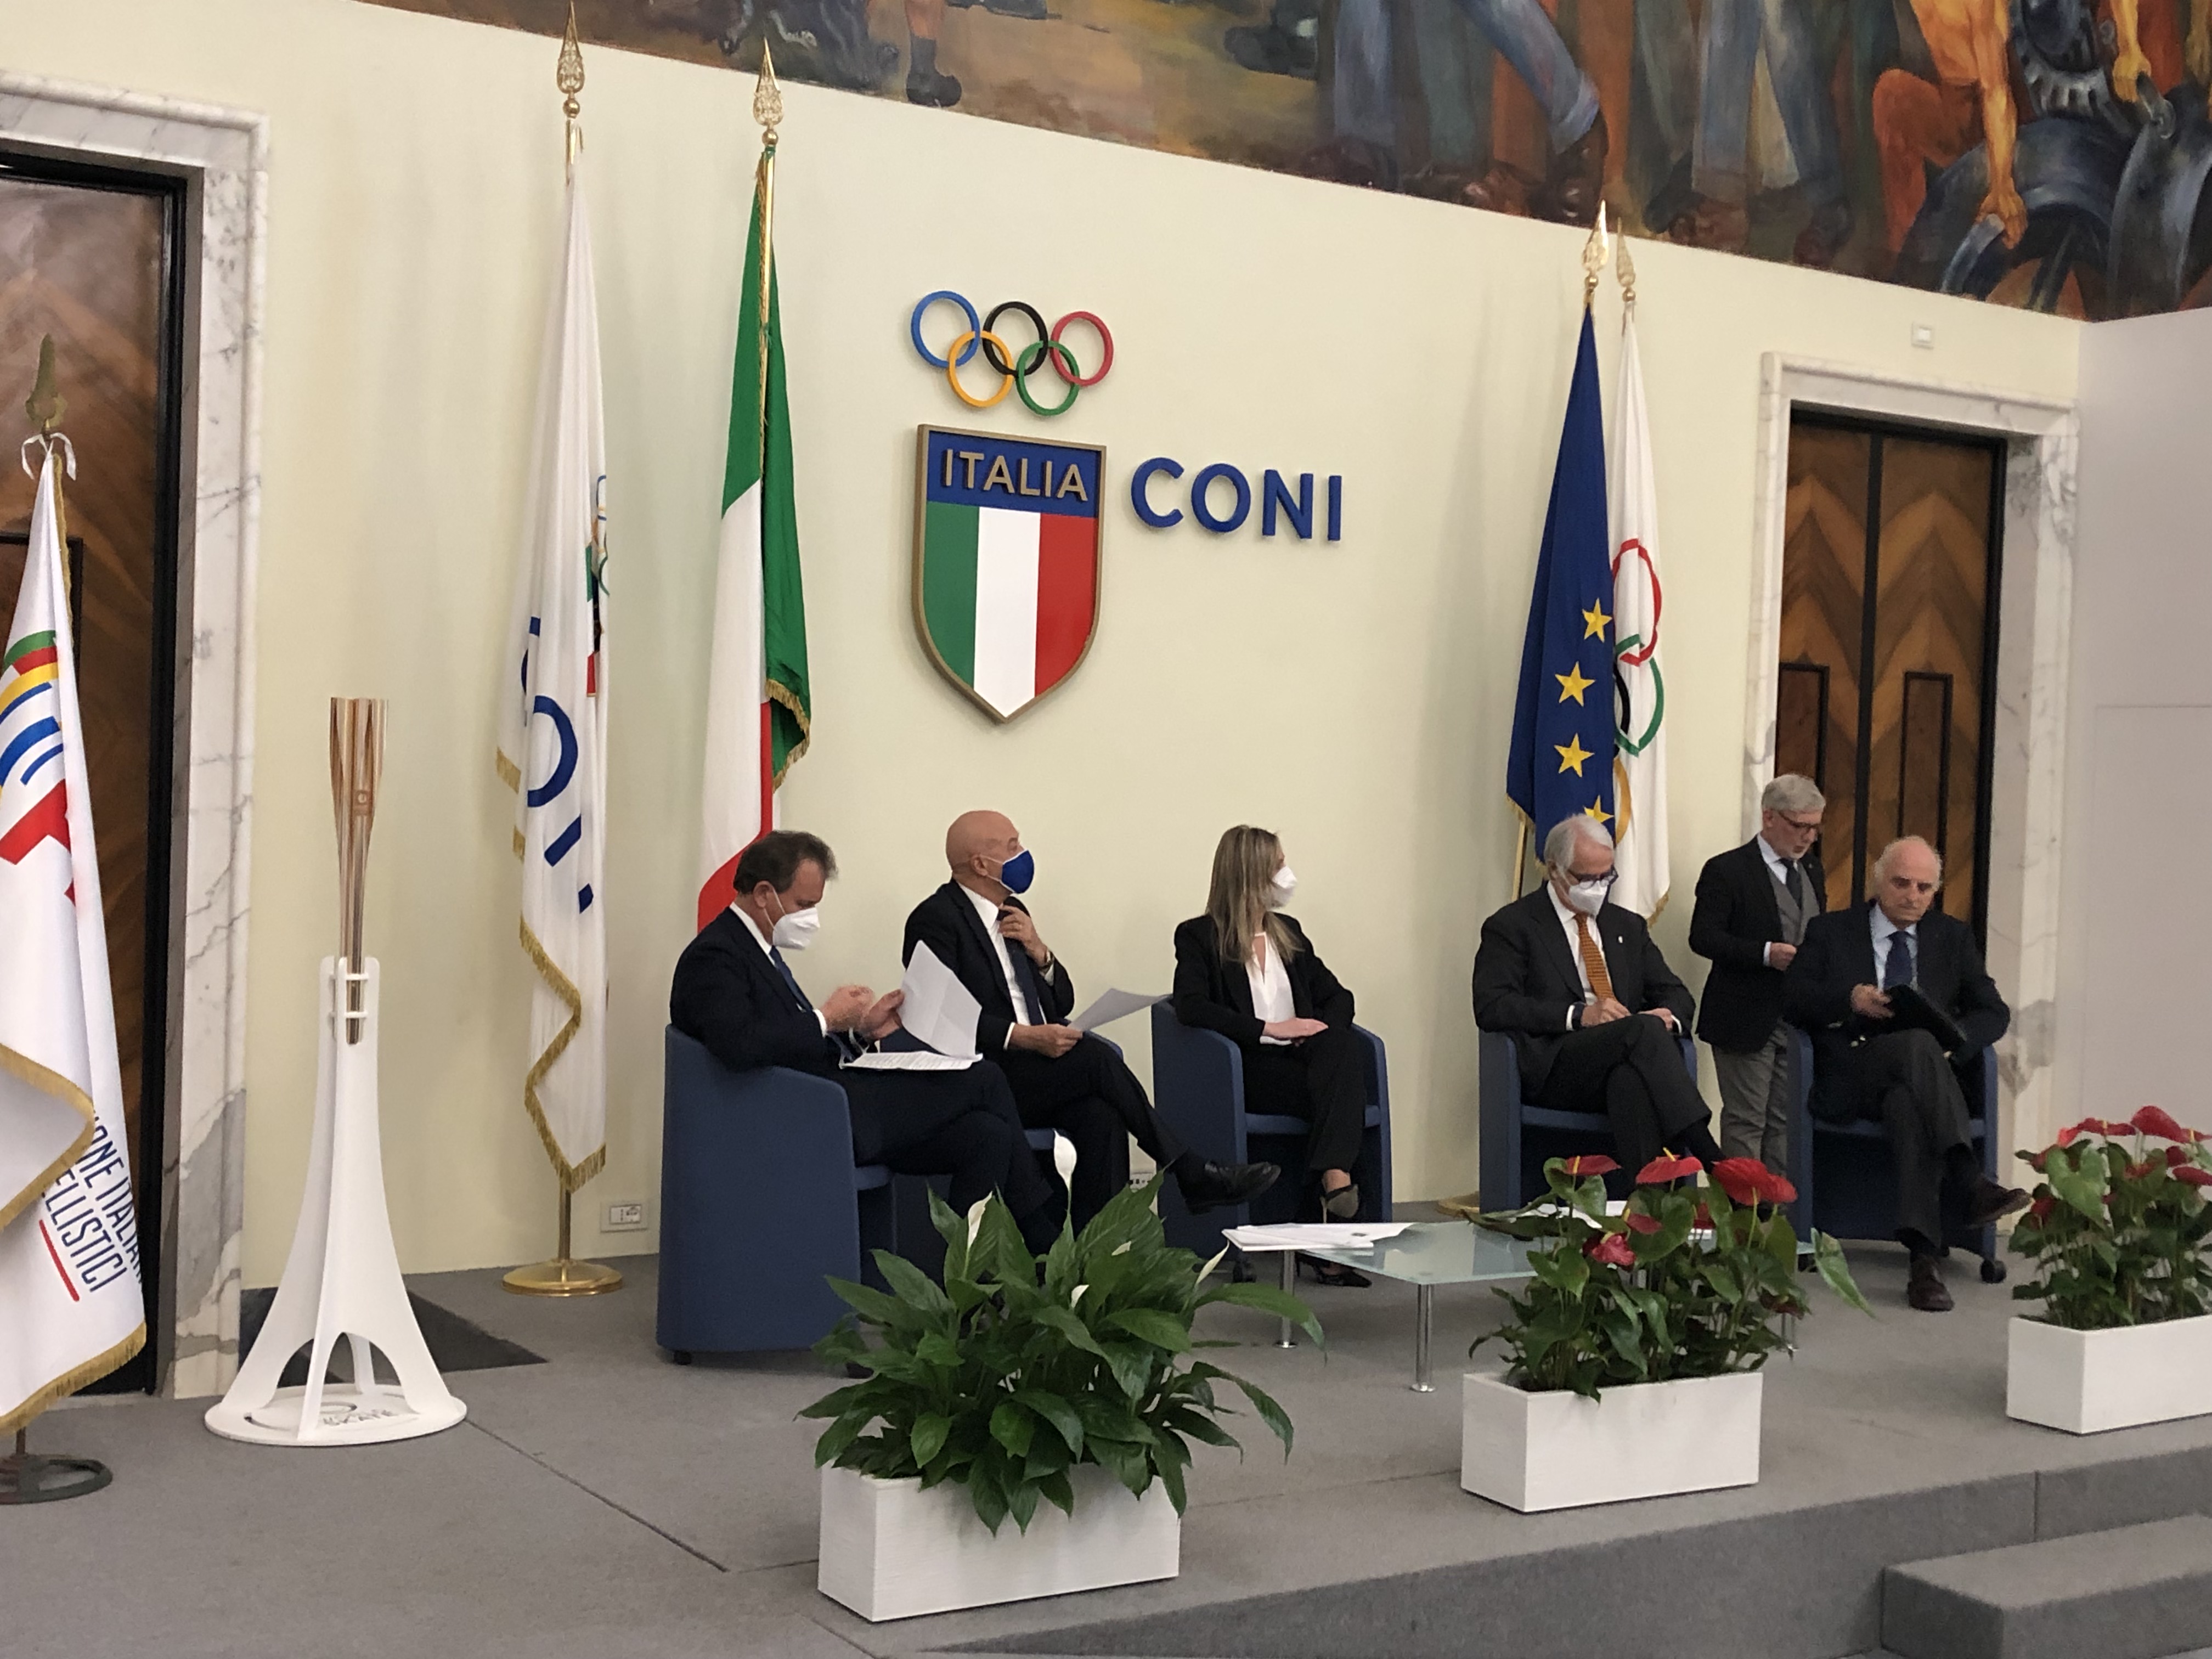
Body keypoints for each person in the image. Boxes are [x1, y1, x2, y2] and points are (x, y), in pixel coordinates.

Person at [671, 829, 1063, 1254]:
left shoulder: (756, 949)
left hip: (833, 1102)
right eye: (804, 905)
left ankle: (964, 1281)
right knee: (984, 1079)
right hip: (811, 1117)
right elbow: (740, 1045)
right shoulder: (716, 956)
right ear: (765, 894)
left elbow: (783, 1041)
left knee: (988, 1135)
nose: (811, 918)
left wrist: (861, 1031)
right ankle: (1043, 1241)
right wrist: (826, 1018)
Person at [904, 811, 1278, 1231]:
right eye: (1012, 847)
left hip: (1038, 1071)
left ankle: (1089, 1254)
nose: (1023, 853)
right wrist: (1023, 1037)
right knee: (1096, 1059)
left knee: (1102, 1117)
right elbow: (939, 1015)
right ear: (980, 864)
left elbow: (1062, 999)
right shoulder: (935, 920)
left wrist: (1041, 953)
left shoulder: (1013, 911)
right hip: (988, 1073)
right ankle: (1190, 1171)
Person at [1785, 835, 2027, 1312]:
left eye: (1924, 887)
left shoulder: (1952, 937)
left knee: (1908, 1103)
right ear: (1879, 882)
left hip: (1923, 1083)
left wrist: (1955, 1041)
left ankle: (1923, 1264)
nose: (1913, 896)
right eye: (1901, 883)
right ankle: (1969, 1178)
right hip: (1854, 1072)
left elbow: (1993, 1012)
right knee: (1917, 1044)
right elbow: (1792, 999)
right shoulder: (1831, 931)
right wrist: (1849, 1000)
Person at [1171, 826, 1371, 1287]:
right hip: (1248, 1067)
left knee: (1340, 1048)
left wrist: (1315, 1031)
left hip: (1307, 1063)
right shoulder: (1199, 936)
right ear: (1251, 873)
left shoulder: (1288, 933)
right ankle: (1331, 1204)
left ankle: (1334, 1182)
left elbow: (1339, 996)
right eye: (1278, 865)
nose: (1287, 874)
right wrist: (1269, 1029)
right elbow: (1191, 1006)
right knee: (1339, 1085)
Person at [1474, 815, 1719, 1178]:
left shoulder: (1627, 926)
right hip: (1556, 1065)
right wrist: (1578, 1015)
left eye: (1607, 877)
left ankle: (1649, 1200)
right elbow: (1493, 1005)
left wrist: (1667, 1017)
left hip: (1623, 1056)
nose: (1600, 888)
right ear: (1555, 870)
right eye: (1588, 879)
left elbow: (1675, 992)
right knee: (1640, 1030)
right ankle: (1711, 1156)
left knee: (1629, 1079)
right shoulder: (1513, 926)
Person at [1689, 774, 1828, 1174]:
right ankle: (1741, 1206)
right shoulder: (1728, 870)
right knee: (1747, 1120)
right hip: (1743, 1015)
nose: (1807, 837)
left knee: (1784, 1121)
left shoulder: (1811, 870)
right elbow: (1704, 937)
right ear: (1769, 817)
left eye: (1814, 828)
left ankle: (1774, 1208)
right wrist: (1765, 954)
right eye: (1799, 826)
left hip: (1795, 1016)